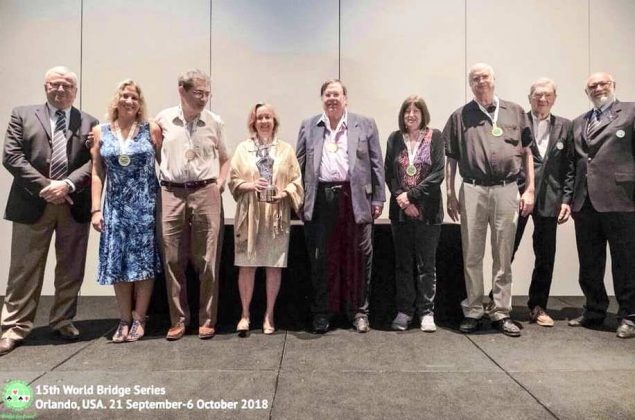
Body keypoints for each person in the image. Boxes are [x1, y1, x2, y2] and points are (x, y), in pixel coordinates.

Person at [0, 66, 98, 356]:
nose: (61, 89)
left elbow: (95, 163)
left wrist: (67, 185)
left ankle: (63, 320)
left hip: (71, 205)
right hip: (32, 202)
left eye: (67, 85)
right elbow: (12, 156)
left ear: (75, 91)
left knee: (70, 268)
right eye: (55, 84)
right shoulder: (23, 115)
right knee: (23, 270)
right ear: (45, 87)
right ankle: (14, 327)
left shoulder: (90, 122)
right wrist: (48, 186)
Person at [444, 63, 534, 337]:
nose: (480, 81)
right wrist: (449, 192)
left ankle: (500, 311)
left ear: (494, 80)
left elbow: (528, 152)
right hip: (472, 189)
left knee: (503, 253)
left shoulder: (515, 111)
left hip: (507, 189)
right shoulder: (460, 116)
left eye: (484, 77)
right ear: (470, 84)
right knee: (472, 253)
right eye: (474, 79)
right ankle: (472, 309)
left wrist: (529, 188)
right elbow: (451, 158)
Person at [296, 79, 385, 334]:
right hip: (321, 198)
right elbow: (298, 165)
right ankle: (323, 312)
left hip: (355, 199)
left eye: (336, 94)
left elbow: (376, 164)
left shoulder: (365, 124)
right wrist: (300, 201)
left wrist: (378, 199)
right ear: (322, 99)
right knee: (321, 258)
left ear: (346, 98)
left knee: (359, 258)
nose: (332, 98)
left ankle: (359, 312)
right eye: (327, 94)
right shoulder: (309, 126)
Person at [485, 78, 572, 327]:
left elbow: (570, 168)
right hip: (518, 194)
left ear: (554, 98)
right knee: (506, 249)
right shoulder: (516, 120)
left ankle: (538, 305)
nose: (541, 99)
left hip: (550, 199)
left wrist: (566, 198)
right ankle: (495, 300)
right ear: (529, 98)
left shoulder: (565, 126)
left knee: (545, 254)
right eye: (537, 95)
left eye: (547, 95)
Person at [155, 69, 229, 341]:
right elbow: (155, 151)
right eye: (198, 93)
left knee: (208, 259)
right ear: (181, 90)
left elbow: (225, 157)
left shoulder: (214, 122)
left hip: (205, 191)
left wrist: (219, 184)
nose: (203, 99)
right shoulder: (163, 120)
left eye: (207, 93)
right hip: (172, 192)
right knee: (173, 258)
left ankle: (207, 319)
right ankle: (178, 320)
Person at [564, 72, 635, 339]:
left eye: (602, 83)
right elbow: (574, 164)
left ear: (614, 85)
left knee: (625, 261)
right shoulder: (578, 122)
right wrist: (569, 199)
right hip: (585, 202)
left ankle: (629, 316)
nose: (597, 88)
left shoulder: (630, 112)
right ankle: (594, 309)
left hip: (622, 200)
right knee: (590, 262)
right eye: (592, 86)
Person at [90, 80, 162, 343]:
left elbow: (164, 164)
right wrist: (95, 210)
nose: (129, 101)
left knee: (143, 264)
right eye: (124, 96)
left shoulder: (150, 129)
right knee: (118, 263)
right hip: (115, 207)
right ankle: (123, 318)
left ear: (139, 102)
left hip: (145, 206)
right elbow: (97, 173)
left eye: (134, 97)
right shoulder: (100, 131)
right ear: (116, 100)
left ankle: (140, 318)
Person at [228, 103, 303, 336]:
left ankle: (269, 315)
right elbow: (233, 179)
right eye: (260, 117)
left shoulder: (286, 150)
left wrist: (285, 192)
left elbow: (296, 180)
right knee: (247, 265)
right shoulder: (243, 149)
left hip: (276, 215)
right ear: (254, 122)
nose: (264, 121)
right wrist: (251, 185)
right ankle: (245, 314)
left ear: (274, 121)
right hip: (250, 214)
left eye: (268, 117)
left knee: (273, 265)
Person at [384, 96, 444, 332]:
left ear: (423, 114)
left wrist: (412, 196)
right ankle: (404, 311)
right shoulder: (395, 138)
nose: (411, 115)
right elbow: (390, 172)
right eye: (407, 111)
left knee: (426, 265)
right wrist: (402, 198)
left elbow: (438, 173)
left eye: (416, 111)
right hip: (400, 213)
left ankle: (426, 312)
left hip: (428, 212)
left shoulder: (435, 136)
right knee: (403, 264)